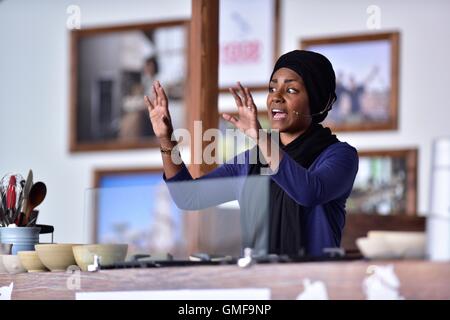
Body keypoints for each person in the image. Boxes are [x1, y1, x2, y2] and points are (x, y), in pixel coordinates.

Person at [144, 50, 359, 257]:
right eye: (272, 89)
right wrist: (166, 138)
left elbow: (308, 192)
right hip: (259, 282)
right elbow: (188, 197)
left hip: (313, 287)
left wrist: (259, 136)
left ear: (317, 99)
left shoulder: (339, 156)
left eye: (291, 90)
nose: (276, 97)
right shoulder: (250, 161)